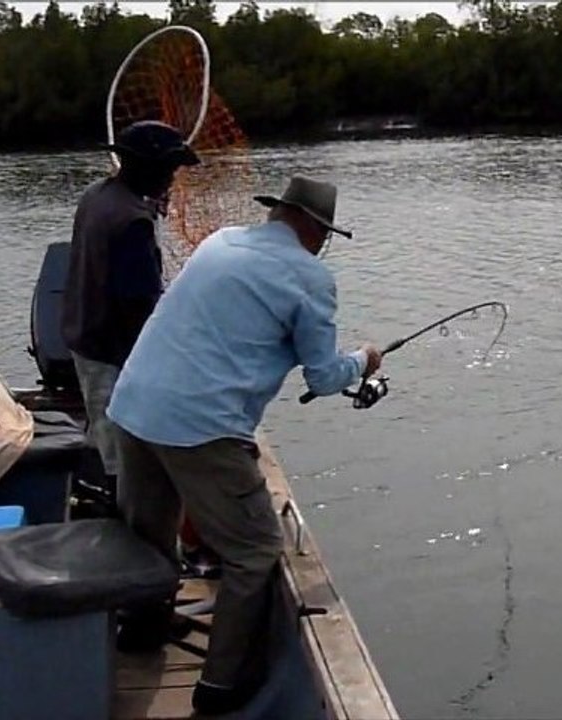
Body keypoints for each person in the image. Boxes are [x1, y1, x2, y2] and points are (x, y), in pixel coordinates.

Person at [106, 175, 381, 715]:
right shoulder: (310, 279)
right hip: (200, 427)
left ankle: (140, 631)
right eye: (322, 233)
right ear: (312, 228)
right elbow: (324, 378)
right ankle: (219, 687)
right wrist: (365, 360)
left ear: (277, 212)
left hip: (134, 406)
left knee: (147, 533)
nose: (322, 243)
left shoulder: (220, 241)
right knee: (255, 551)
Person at [61, 119, 200, 480]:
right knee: (119, 454)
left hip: (83, 337)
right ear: (148, 168)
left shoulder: (97, 195)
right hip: (108, 351)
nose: (172, 178)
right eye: (169, 169)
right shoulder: (132, 223)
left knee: (101, 427)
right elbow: (139, 307)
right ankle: (117, 519)